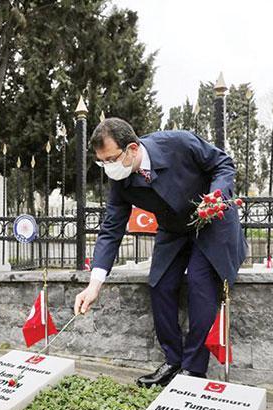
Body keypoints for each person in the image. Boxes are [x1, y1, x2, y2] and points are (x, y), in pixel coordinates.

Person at [74, 117, 247, 387]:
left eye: (111, 159)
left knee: (201, 284)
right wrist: (94, 285)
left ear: (132, 148)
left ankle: (193, 370)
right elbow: (111, 229)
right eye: (102, 162)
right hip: (174, 229)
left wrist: (215, 197)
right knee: (159, 284)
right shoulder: (121, 180)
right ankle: (172, 361)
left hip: (211, 219)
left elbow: (223, 163)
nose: (107, 168)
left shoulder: (179, 143)